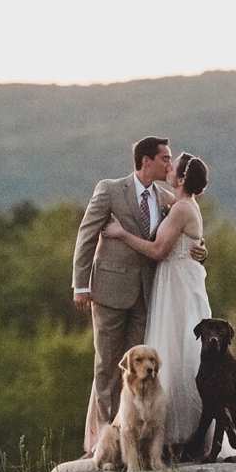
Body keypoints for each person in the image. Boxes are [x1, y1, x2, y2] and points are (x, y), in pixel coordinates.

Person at [72, 136, 206, 452]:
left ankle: (131, 436)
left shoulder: (166, 198)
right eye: (164, 158)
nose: (169, 165)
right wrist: (80, 285)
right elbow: (86, 235)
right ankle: (105, 442)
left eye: (172, 161)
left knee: (136, 372)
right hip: (109, 291)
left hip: (149, 295)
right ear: (146, 161)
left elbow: (182, 235)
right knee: (106, 366)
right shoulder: (109, 190)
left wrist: (199, 249)